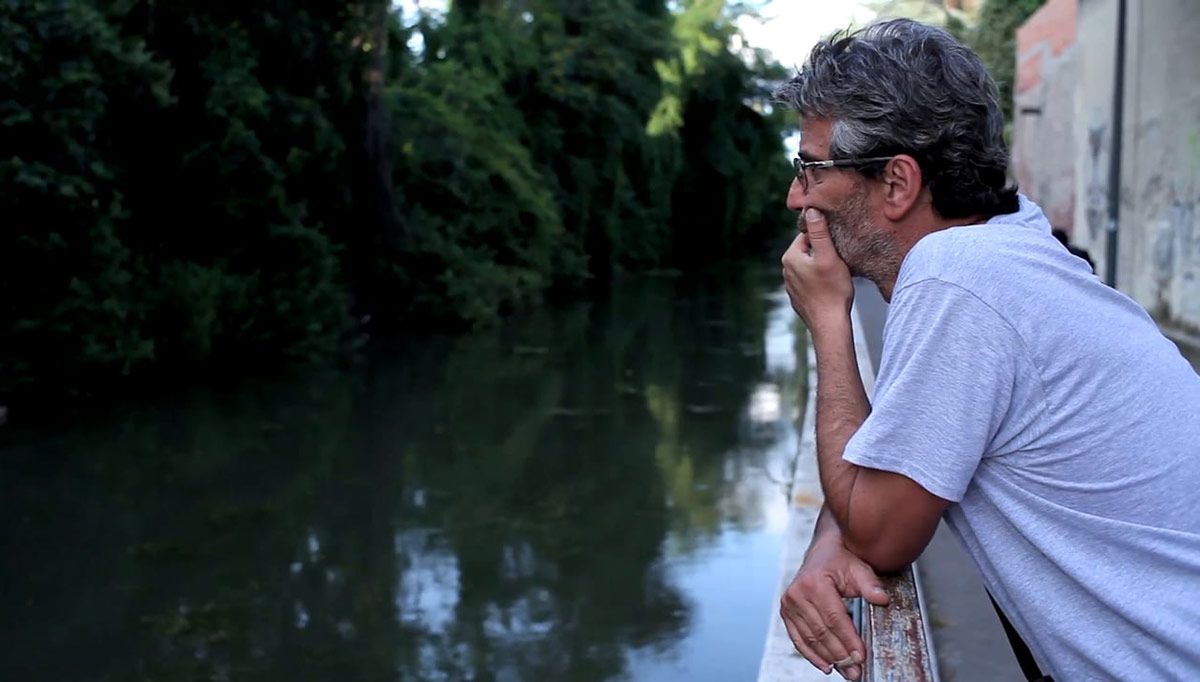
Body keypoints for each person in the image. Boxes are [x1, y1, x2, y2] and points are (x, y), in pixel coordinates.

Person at [775, 18, 1200, 681]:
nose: (795, 196)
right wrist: (832, 533)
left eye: (811, 168)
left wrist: (830, 322)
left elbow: (879, 532)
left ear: (897, 183)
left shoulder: (955, 279)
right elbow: (895, 446)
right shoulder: (1009, 241)